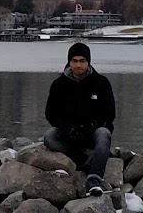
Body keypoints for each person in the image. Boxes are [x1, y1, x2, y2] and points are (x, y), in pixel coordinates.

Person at [44, 42, 116, 195]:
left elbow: (110, 114)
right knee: (49, 137)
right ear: (69, 62)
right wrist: (67, 128)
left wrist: (91, 126)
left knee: (104, 135)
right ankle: (82, 160)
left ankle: (94, 180)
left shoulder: (101, 83)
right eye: (74, 61)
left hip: (93, 130)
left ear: (88, 62)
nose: (78, 65)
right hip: (69, 133)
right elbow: (50, 114)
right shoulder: (59, 84)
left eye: (82, 61)